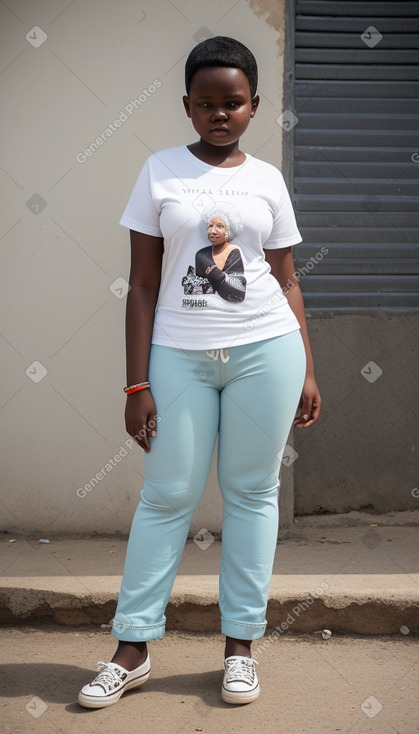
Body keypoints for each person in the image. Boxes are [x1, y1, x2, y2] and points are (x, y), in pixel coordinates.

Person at [78, 35, 321, 709]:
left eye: (233, 102)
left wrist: (307, 367)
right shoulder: (159, 172)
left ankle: (240, 647)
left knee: (251, 494)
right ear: (188, 106)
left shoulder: (267, 180)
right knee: (166, 497)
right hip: (179, 357)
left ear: (253, 107)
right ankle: (131, 648)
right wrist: (136, 384)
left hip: (265, 351)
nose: (219, 113)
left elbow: (285, 280)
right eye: (206, 102)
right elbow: (143, 286)